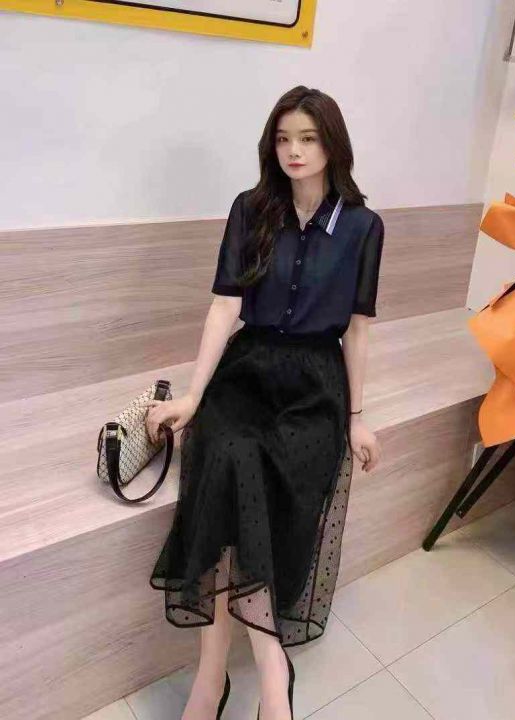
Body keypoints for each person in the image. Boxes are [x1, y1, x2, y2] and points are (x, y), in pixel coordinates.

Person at [143, 85, 384, 720]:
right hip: (247, 371)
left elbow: (358, 330)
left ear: (332, 144)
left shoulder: (363, 227)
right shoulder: (250, 210)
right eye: (282, 139)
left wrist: (357, 420)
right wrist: (193, 395)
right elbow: (225, 306)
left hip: (316, 384)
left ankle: (228, 674)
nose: (293, 151)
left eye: (307, 138)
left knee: (259, 475)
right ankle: (245, 671)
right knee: (227, 453)